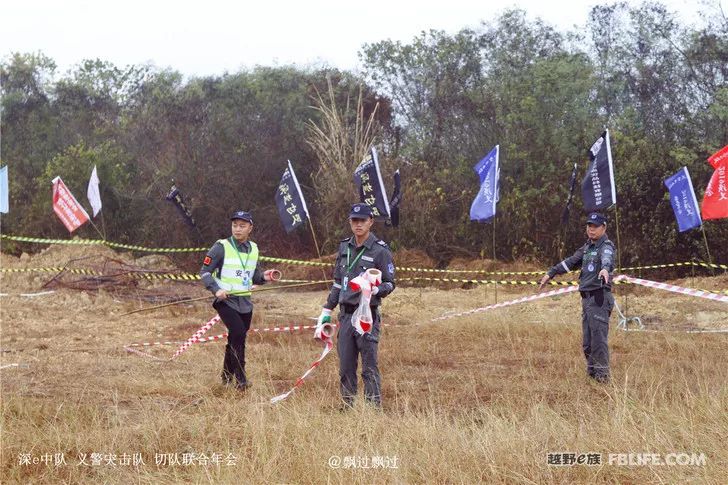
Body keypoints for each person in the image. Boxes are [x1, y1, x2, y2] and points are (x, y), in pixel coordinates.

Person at [316, 203, 396, 409]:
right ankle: (347, 406)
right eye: (354, 220)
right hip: (345, 316)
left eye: (362, 220)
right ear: (350, 222)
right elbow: (337, 281)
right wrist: (327, 309)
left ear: (370, 222)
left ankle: (372, 409)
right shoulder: (344, 247)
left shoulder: (380, 250)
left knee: (369, 366)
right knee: (345, 366)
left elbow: (390, 283)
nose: (358, 224)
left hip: (366, 316)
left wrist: (376, 290)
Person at [200, 210, 280, 390]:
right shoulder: (221, 246)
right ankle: (241, 378)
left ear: (250, 228)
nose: (237, 229)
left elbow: (254, 276)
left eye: (242, 226)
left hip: (245, 302)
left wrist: (265, 277)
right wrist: (216, 289)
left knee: (235, 338)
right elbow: (204, 272)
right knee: (238, 334)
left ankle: (226, 377)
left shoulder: (254, 249)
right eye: (235, 225)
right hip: (225, 301)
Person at [539, 212, 616, 383]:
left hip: (599, 298)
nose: (591, 229)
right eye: (589, 226)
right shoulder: (588, 248)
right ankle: (592, 374)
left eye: (595, 226)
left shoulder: (606, 246)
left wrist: (605, 269)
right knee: (588, 343)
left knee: (598, 341)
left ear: (604, 227)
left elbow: (608, 259)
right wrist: (551, 273)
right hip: (586, 300)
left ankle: (602, 377)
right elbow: (570, 262)